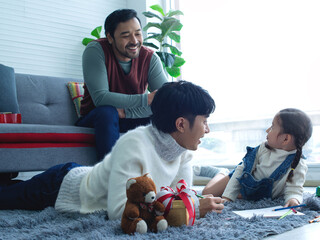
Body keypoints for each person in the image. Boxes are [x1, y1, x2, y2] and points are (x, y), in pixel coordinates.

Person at [0, 81, 225, 221]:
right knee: (5, 198)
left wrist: (190, 204)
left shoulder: (183, 152)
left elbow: (175, 197)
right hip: (61, 187)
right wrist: (193, 206)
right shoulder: (135, 144)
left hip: (81, 179)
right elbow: (118, 211)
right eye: (204, 121)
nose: (207, 130)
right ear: (181, 125)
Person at [76, 9, 168, 160]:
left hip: (130, 118)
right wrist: (146, 99)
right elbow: (101, 98)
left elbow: (166, 101)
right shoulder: (96, 50)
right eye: (126, 36)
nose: (134, 41)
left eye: (138, 33)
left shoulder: (150, 57)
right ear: (110, 37)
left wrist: (127, 113)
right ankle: (109, 174)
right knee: (107, 111)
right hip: (97, 119)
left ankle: (162, 174)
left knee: (165, 116)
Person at [202, 108, 313, 207]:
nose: (267, 130)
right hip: (240, 178)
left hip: (254, 193)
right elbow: (241, 170)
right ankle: (221, 172)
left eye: (272, 127)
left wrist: (293, 199)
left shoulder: (298, 164)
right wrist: (228, 197)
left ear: (285, 139)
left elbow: (295, 188)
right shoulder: (262, 149)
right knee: (207, 193)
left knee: (242, 196)